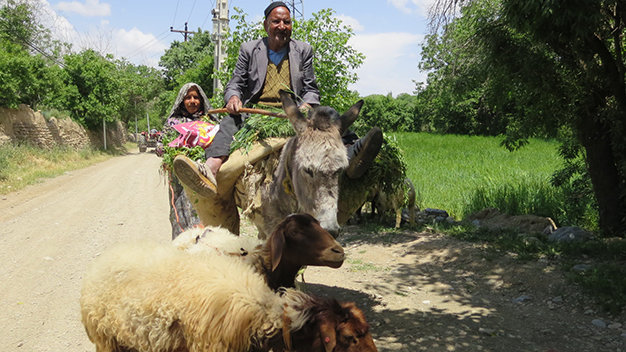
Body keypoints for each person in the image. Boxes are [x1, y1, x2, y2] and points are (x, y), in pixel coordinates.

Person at [174, 1, 382, 198]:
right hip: (255, 111)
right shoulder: (249, 49)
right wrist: (234, 98)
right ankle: (209, 169)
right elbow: (235, 82)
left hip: (293, 111)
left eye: (287, 22)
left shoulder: (303, 51)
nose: (282, 26)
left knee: (328, 115)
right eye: (276, 21)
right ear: (266, 25)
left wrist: (306, 104)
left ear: (291, 25)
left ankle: (352, 155)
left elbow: (311, 88)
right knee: (229, 123)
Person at [162, 82, 216, 238]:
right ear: (181, 100)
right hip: (180, 177)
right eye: (188, 97)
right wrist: (172, 153)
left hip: (204, 175)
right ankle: (183, 248)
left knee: (207, 213)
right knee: (181, 210)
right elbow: (161, 146)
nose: (192, 101)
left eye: (196, 97)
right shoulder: (173, 122)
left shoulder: (210, 120)